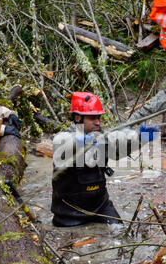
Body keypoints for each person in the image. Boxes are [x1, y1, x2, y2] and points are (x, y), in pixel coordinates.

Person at [51, 92, 156, 228]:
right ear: (77, 117)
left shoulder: (101, 138)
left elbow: (119, 148)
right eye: (93, 118)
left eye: (99, 117)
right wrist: (80, 141)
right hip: (69, 212)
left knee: (120, 230)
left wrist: (140, 139)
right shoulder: (63, 139)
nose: (98, 122)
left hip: (101, 206)